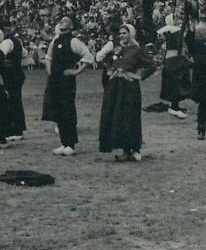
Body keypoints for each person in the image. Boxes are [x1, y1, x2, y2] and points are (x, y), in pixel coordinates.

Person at [98, 24, 156, 162]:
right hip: (115, 88)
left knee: (131, 116)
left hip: (129, 88)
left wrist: (137, 76)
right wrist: (110, 71)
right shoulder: (118, 49)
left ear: (131, 34)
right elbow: (105, 61)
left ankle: (135, 149)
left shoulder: (137, 50)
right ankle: (125, 150)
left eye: (124, 33)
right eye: (120, 33)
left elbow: (151, 65)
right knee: (118, 118)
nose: (122, 35)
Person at [41, 14, 94, 156]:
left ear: (71, 26)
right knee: (58, 111)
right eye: (61, 20)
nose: (61, 22)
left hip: (66, 81)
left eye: (65, 21)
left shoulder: (74, 41)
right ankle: (63, 142)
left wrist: (76, 72)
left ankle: (71, 144)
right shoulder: (55, 40)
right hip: (55, 80)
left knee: (68, 110)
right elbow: (48, 58)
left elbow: (88, 57)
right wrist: (50, 72)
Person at [157, 14, 191, 119]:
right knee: (177, 83)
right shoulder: (176, 32)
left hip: (169, 58)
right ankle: (175, 108)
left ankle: (175, 106)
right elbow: (179, 45)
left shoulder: (164, 32)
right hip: (175, 59)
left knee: (173, 84)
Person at [0, 21, 26, 141]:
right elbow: (24, 54)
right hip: (18, 72)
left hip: (11, 74)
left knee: (11, 101)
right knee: (15, 100)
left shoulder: (6, 42)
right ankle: (17, 129)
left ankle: (15, 130)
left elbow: (0, 56)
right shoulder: (17, 41)